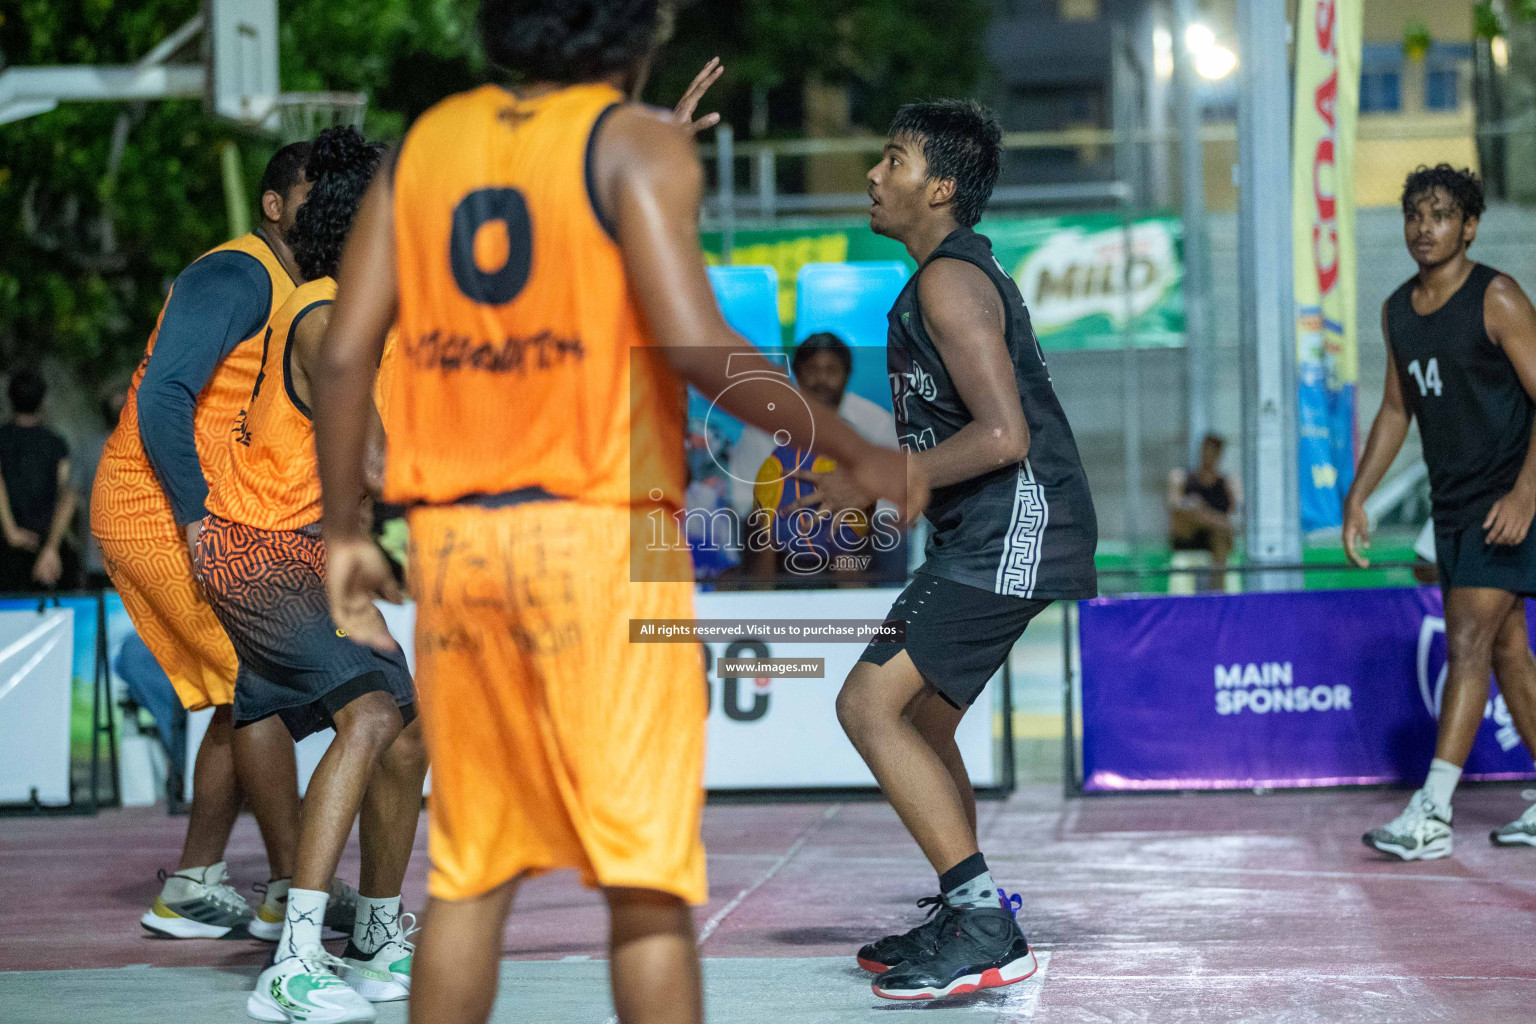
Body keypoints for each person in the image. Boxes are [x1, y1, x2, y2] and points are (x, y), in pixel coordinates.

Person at [308, 5, 915, 1022]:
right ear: (635, 32)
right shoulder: (631, 148)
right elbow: (695, 344)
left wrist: (340, 531)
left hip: (461, 545)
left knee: (468, 874)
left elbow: (342, 354)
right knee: (646, 883)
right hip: (593, 539)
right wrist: (857, 447)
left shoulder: (423, 148)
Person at [828, 100, 1098, 1000]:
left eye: (893, 159)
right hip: (983, 528)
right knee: (919, 719)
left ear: (940, 187)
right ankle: (965, 908)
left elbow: (1004, 436)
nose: (875, 174)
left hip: (1018, 521)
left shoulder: (950, 281)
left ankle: (984, 922)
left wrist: (891, 478)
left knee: (869, 706)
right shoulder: (935, 282)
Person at [189, 127, 424, 1023]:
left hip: (309, 554)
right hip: (260, 551)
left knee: (407, 731)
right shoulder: (324, 312)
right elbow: (375, 466)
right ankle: (292, 964)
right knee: (369, 716)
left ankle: (370, 930)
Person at [91, 143, 334, 941]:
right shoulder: (236, 273)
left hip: (198, 503)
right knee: (258, 678)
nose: (325, 202)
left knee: (243, 694)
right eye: (310, 190)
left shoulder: (302, 284)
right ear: (272, 203)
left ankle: (196, 884)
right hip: (156, 502)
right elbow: (164, 392)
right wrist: (196, 513)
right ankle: (293, 888)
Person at [1345, 164, 1536, 858]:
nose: (1425, 228)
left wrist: (1525, 494)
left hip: (1508, 501)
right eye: (1415, 215)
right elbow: (1398, 408)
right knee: (1508, 649)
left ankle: (1431, 814)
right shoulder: (1398, 309)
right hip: (1454, 506)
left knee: (1467, 642)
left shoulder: (1498, 297)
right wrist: (1359, 493)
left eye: (1441, 215)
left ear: (1470, 226)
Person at [0, 368, 79, 592]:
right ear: (43, 401)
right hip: (47, 547)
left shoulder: (2, 439)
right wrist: (54, 544)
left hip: (7, 549)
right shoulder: (55, 443)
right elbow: (67, 493)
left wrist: (11, 531)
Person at [1167, 432, 1239, 592]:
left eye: (1213, 450)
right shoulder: (1181, 478)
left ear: (1219, 454)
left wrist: (1204, 514)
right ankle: (1216, 592)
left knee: (1220, 533)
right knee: (1190, 509)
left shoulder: (1227, 484)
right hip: (1188, 537)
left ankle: (1216, 593)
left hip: (1215, 541)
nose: (1208, 454)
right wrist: (1199, 513)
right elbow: (1176, 511)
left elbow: (1236, 520)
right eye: (1205, 449)